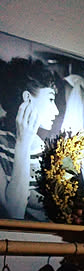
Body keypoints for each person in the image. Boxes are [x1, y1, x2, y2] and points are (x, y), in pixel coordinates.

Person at [0, 57, 60, 221]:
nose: (56, 111)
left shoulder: (47, 150)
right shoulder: (1, 147)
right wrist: (23, 143)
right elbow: (14, 214)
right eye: (50, 99)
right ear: (27, 98)